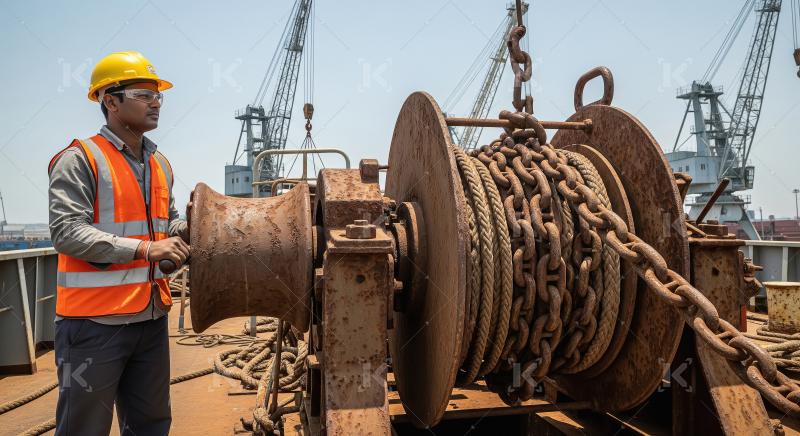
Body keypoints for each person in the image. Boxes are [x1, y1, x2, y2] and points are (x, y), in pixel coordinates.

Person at [48, 51, 189, 435]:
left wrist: (192, 229)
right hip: (93, 323)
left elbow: (164, 224)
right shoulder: (80, 159)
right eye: (144, 94)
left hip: (149, 318)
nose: (156, 102)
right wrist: (145, 250)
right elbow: (66, 232)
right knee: (84, 427)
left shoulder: (159, 162)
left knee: (151, 424)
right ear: (110, 100)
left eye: (158, 95)